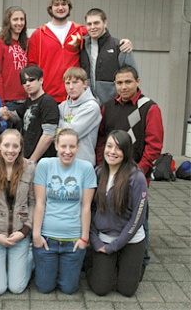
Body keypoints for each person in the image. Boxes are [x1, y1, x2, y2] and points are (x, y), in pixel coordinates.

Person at [95, 64, 164, 280]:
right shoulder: (107, 107)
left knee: (138, 219)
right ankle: (109, 262)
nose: (123, 87)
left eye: (128, 82)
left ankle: (139, 265)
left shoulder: (149, 108)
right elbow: (101, 140)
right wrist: (103, 168)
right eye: (119, 83)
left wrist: (137, 173)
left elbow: (154, 146)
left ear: (137, 82)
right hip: (109, 173)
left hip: (135, 178)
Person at [28, 0, 132, 103]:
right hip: (49, 96)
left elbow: (102, 38)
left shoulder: (81, 30)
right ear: (50, 8)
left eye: (64, 4)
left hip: (77, 96)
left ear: (69, 7)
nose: (60, 8)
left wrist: (124, 42)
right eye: (56, 5)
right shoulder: (38, 34)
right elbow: (31, 66)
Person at [32, 128, 96, 294]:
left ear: (78, 147)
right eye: (63, 146)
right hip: (47, 239)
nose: (67, 151)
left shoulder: (86, 168)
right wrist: (36, 235)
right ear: (56, 146)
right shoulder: (45, 165)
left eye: (72, 147)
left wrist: (84, 238)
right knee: (45, 288)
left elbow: (86, 206)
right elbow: (40, 203)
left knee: (69, 289)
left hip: (73, 241)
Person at [88, 130, 148, 297]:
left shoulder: (137, 178)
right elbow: (90, 210)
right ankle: (99, 263)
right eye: (109, 146)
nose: (112, 152)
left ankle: (130, 265)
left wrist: (114, 247)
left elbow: (138, 218)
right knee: (100, 289)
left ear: (127, 151)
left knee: (127, 290)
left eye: (118, 148)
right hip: (104, 238)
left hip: (130, 239)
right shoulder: (98, 173)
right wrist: (95, 240)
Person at [0, 129, 35, 295]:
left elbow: (33, 203)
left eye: (15, 146)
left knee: (16, 288)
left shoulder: (30, 168)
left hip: (19, 235)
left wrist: (24, 232)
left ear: (20, 148)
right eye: (7, 145)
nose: (11, 150)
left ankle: (28, 258)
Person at [80, 8, 138, 105]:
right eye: (89, 24)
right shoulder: (81, 46)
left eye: (96, 23)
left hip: (114, 106)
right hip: (88, 106)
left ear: (105, 23)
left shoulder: (120, 47)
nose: (93, 27)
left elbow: (133, 76)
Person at [2, 65, 59, 162]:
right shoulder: (28, 102)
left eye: (31, 80)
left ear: (41, 80)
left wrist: (33, 160)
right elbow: (17, 116)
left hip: (42, 160)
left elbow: (49, 134)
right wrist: (7, 113)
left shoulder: (48, 102)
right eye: (24, 82)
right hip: (26, 157)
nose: (27, 84)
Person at [59, 67, 101, 166]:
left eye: (75, 82)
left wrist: (59, 124)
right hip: (63, 162)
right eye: (67, 83)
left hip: (83, 163)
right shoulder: (63, 106)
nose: (71, 87)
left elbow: (72, 133)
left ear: (85, 83)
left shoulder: (92, 107)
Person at [0, 6, 28, 113]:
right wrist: (0, 102)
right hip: (8, 101)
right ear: (8, 22)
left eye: (22, 19)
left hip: (25, 99)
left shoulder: (24, 43)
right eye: (15, 19)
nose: (19, 23)